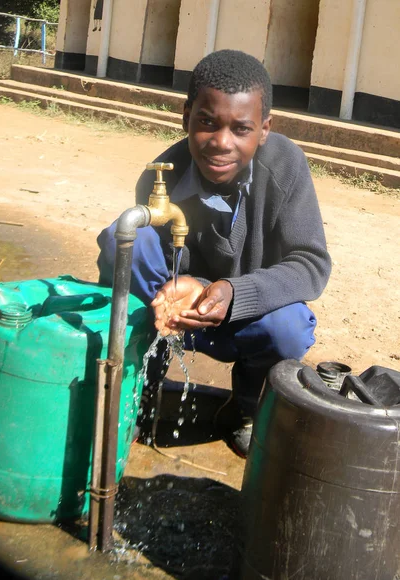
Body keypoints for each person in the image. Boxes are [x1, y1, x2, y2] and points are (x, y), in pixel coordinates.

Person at [97, 49, 332, 458]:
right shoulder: (162, 175)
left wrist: (232, 292)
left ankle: (244, 408)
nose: (221, 143)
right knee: (123, 244)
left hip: (247, 320)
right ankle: (142, 391)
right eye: (206, 122)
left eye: (241, 128)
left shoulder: (286, 167)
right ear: (186, 115)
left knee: (290, 326)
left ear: (264, 129)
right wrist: (178, 289)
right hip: (177, 314)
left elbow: (311, 265)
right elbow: (150, 265)